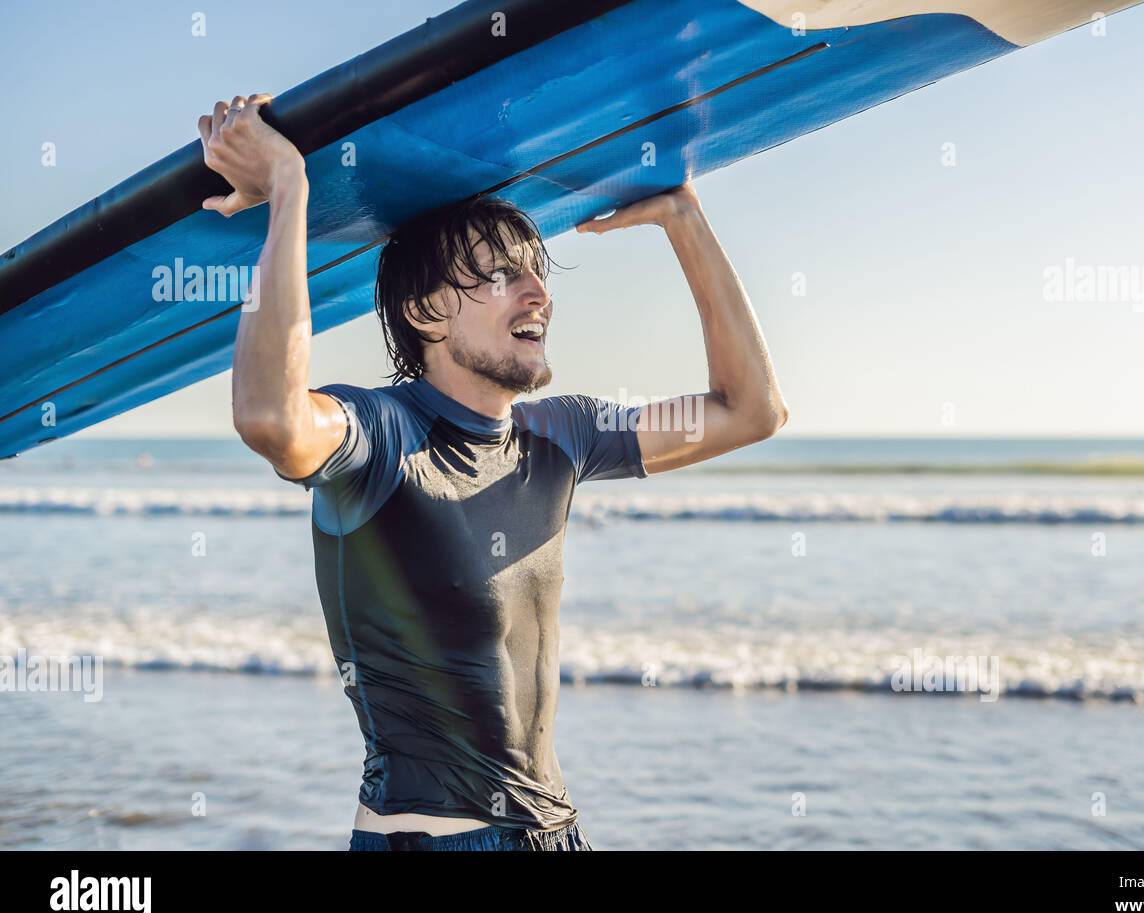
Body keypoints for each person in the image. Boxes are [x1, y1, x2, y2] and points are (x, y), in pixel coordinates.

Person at [198, 93, 789, 851]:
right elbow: (270, 416)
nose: (538, 292)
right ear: (427, 312)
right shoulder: (382, 436)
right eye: (501, 276)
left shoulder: (563, 432)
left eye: (537, 275)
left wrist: (683, 217)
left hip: (556, 832)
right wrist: (290, 190)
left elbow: (751, 410)